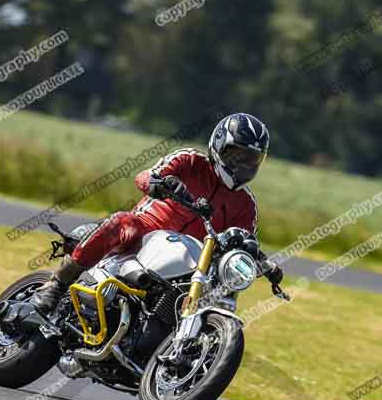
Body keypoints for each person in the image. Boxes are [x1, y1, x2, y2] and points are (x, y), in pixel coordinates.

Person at [30, 112, 283, 319]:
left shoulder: (246, 204)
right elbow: (145, 176)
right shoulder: (190, 161)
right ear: (219, 146)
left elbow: (245, 241)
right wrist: (160, 184)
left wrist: (263, 262)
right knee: (123, 223)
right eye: (237, 156)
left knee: (216, 285)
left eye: (252, 160)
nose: (243, 165)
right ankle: (57, 284)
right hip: (146, 230)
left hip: (191, 260)